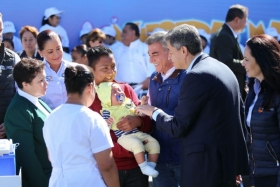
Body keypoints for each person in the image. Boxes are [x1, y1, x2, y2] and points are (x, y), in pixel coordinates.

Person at [136, 24, 249, 187]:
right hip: (222, 164)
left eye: (171, 52)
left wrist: (153, 111)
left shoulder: (195, 76)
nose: (171, 58)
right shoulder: (221, 67)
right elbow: (238, 116)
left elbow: (178, 126)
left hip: (206, 168)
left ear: (183, 50)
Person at [43, 64, 119, 187]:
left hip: (57, 182)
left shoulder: (51, 117)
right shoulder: (92, 119)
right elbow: (107, 166)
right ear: (90, 87)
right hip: (88, 182)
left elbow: (51, 157)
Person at [87, 45, 152, 187]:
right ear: (91, 70)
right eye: (105, 68)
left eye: (113, 66)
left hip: (136, 167)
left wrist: (138, 121)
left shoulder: (125, 89)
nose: (111, 72)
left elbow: (147, 125)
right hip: (106, 169)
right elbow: (93, 139)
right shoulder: (88, 97)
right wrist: (128, 150)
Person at [146, 31, 186, 187]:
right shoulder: (153, 79)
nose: (151, 60)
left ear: (170, 52)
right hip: (160, 158)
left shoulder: (188, 77)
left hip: (184, 158)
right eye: (149, 54)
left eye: (155, 54)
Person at [4, 58, 52, 187]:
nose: (46, 83)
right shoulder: (18, 110)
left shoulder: (37, 100)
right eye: (41, 81)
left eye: (45, 79)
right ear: (25, 84)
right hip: (42, 180)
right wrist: (43, 183)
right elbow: (26, 156)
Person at [96, 82, 160, 177]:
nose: (118, 92)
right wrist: (107, 123)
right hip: (124, 137)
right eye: (114, 92)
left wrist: (143, 105)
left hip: (137, 133)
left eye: (119, 90)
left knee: (154, 144)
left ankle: (150, 166)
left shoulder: (128, 104)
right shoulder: (107, 110)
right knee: (137, 144)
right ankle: (143, 167)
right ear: (106, 98)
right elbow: (104, 129)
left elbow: (139, 114)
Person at [242, 34, 280, 187]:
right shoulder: (253, 90)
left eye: (246, 59)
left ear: (262, 60)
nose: (242, 63)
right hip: (255, 175)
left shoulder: (277, 93)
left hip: (273, 176)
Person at [210, 4, 248, 100]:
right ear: (236, 20)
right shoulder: (224, 36)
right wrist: (248, 64)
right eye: (245, 20)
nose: (246, 24)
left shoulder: (227, 34)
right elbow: (227, 62)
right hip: (226, 90)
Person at [37, 30, 73, 110]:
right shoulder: (36, 73)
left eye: (58, 49)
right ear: (40, 53)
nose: (56, 54)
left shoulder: (74, 68)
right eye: (50, 52)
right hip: (48, 119)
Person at [114, 22, 155, 91]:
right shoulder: (116, 50)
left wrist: (140, 86)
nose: (121, 35)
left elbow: (152, 73)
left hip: (143, 91)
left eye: (124, 32)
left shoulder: (146, 49)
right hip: (121, 92)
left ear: (133, 32)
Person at [0, 13, 21, 139]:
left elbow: (22, 97)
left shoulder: (13, 58)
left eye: (0, 29)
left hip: (7, 135)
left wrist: (10, 122)